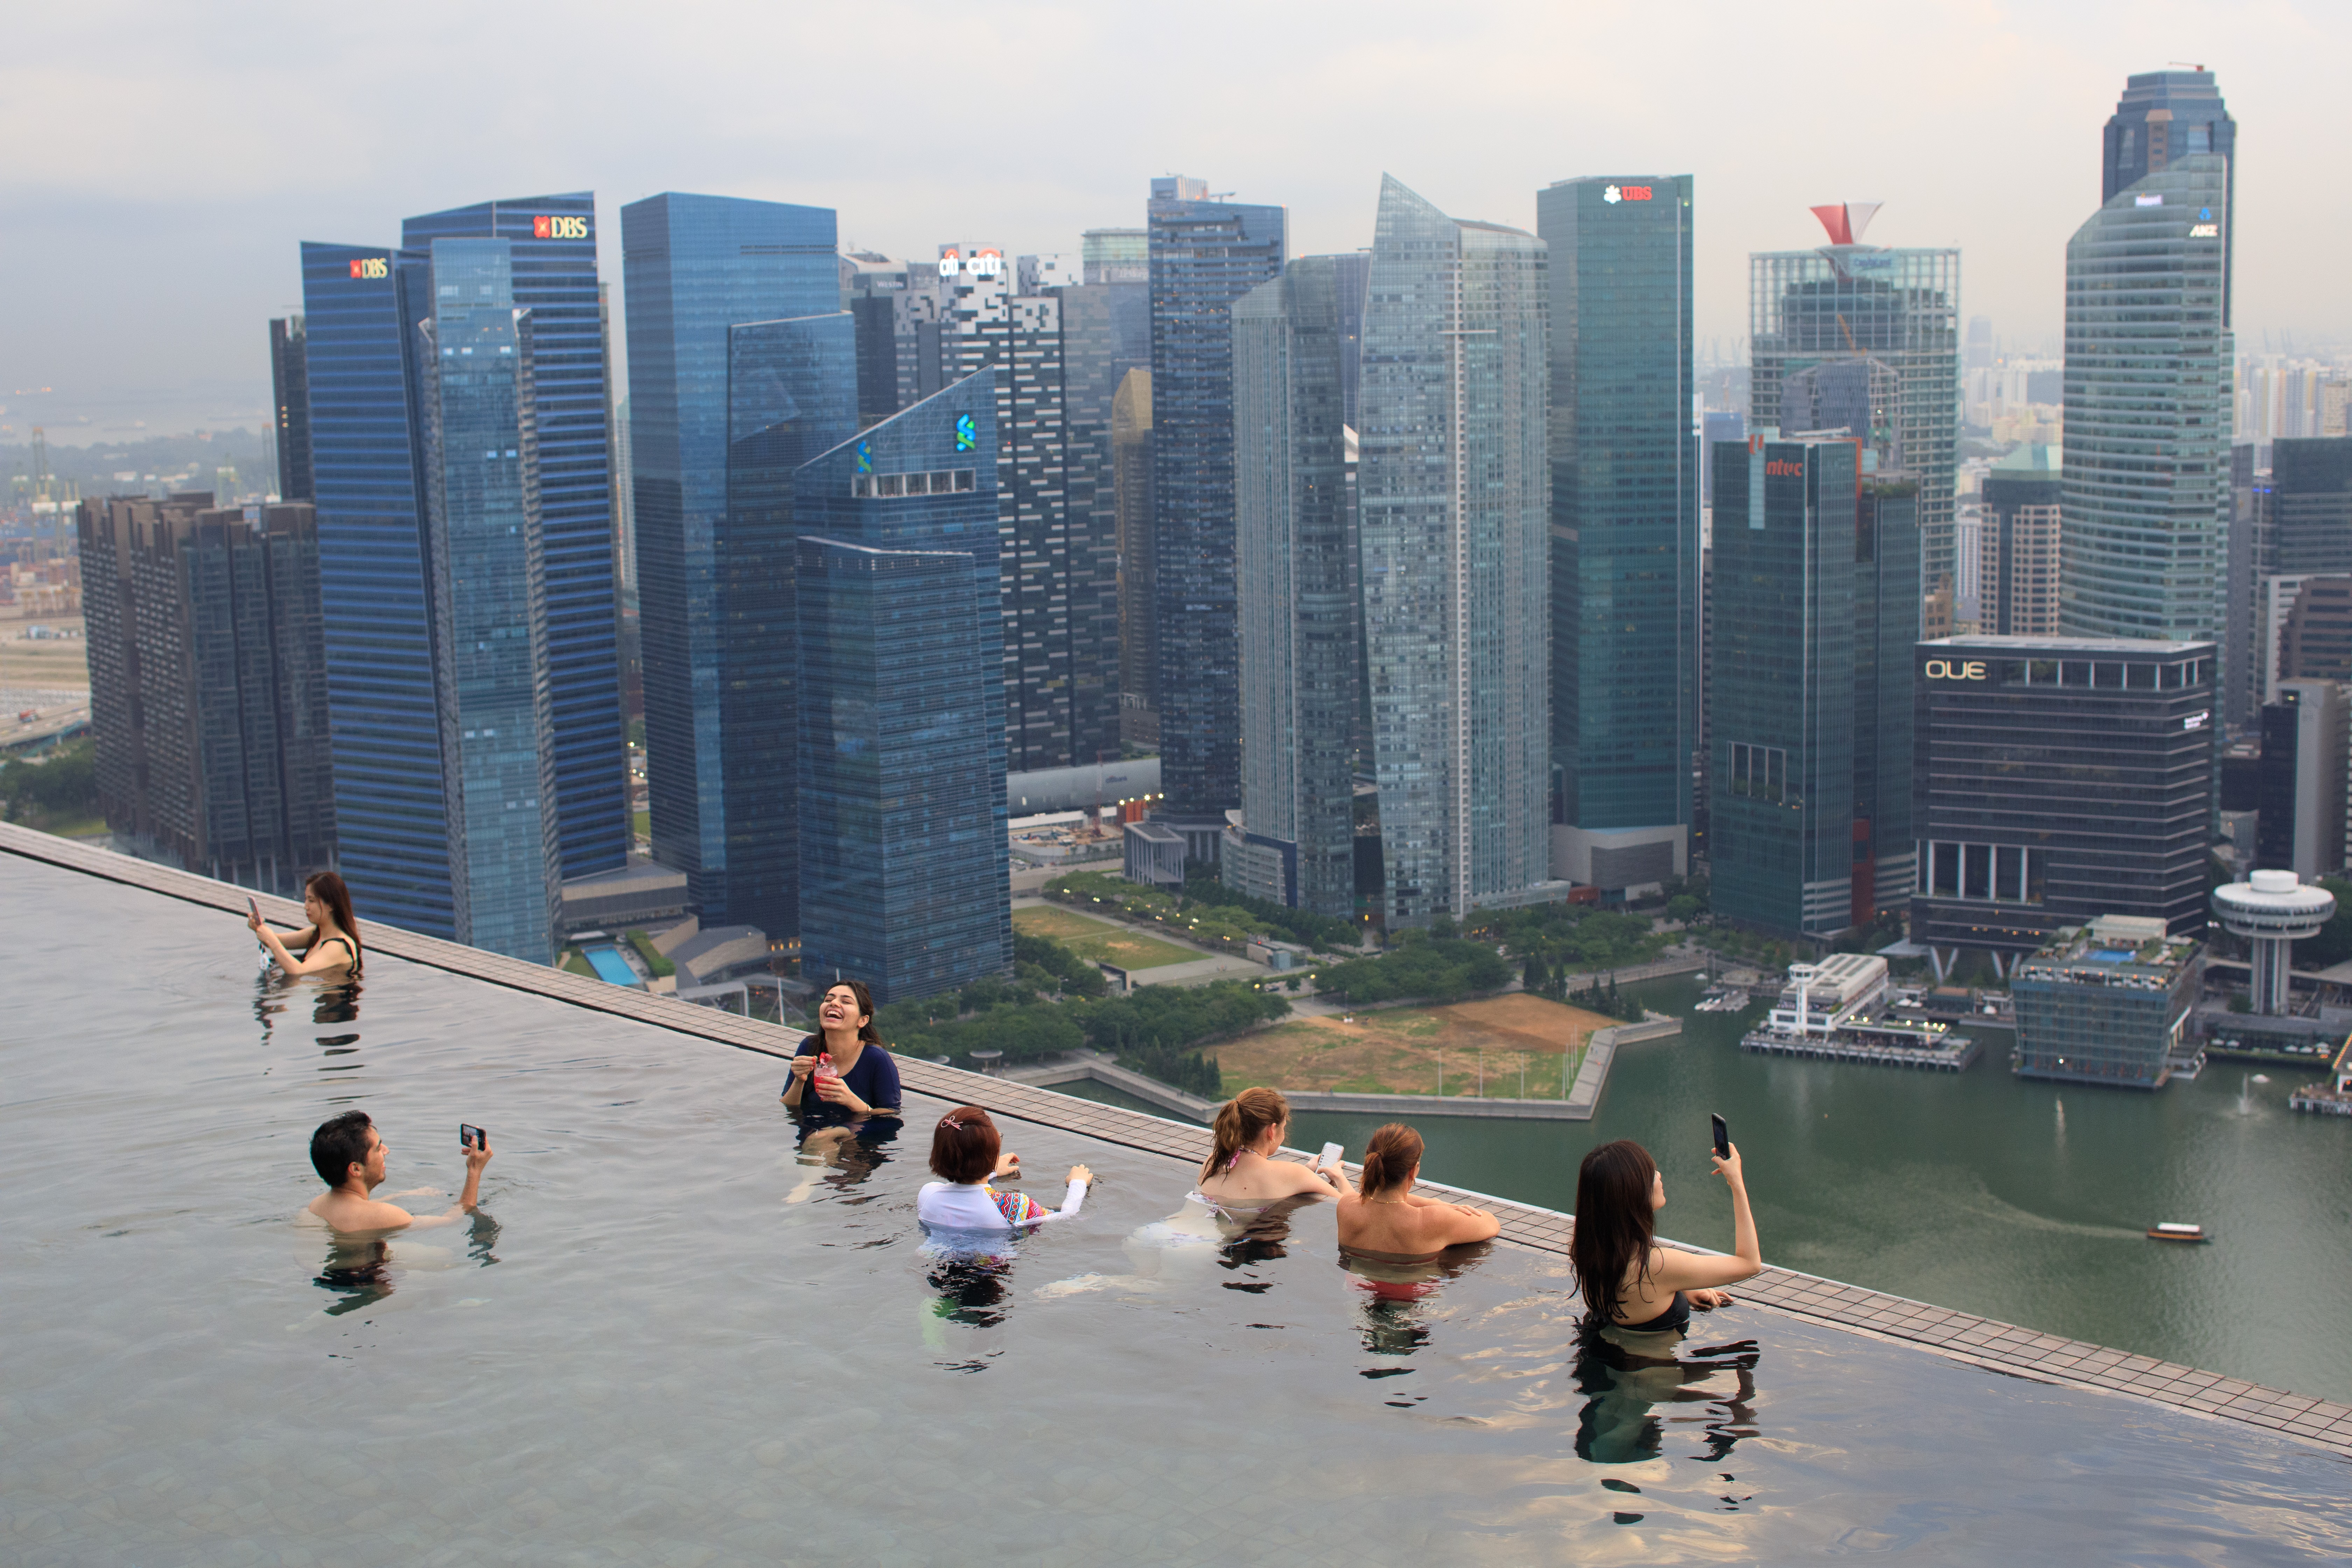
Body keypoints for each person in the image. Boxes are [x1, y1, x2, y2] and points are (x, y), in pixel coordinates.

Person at [1568, 1137, 1760, 1336]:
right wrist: (1736, 1183)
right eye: (1651, 1174)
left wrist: (1684, 1287)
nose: (1659, 1176)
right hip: (1657, 1367)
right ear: (1634, 1193)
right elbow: (1749, 1264)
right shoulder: (1659, 1266)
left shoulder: (1592, 1251)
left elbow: (1649, 1286)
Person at [303, 1110, 490, 1235]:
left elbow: (356, 1210)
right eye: (378, 1148)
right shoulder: (385, 1216)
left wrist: (403, 1195)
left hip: (343, 1274)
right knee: (444, 1259)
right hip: (371, 1281)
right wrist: (474, 1171)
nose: (386, 1151)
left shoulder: (316, 1206)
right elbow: (453, 1219)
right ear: (356, 1169)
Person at [1335, 1122, 1500, 1254]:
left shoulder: (1346, 1206)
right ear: (1413, 1171)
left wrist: (1435, 1203)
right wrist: (1441, 1206)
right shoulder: (1431, 1220)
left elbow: (1375, 1200)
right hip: (1410, 1294)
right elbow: (1492, 1223)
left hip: (1359, 1286)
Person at [917, 1106, 1091, 1230]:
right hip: (992, 1270)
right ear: (991, 1154)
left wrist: (992, 1170)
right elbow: (1067, 1216)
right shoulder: (1013, 1206)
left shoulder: (928, 1195)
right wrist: (1078, 1182)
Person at [1194, 1087, 1352, 1204]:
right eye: (1284, 1127)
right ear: (1272, 1131)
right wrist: (1339, 1177)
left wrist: (1307, 1171)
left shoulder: (1213, 1161)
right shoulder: (1294, 1175)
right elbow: (1353, 1207)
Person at [781, 980, 902, 1116]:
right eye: (828, 1000)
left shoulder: (877, 1058)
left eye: (846, 1002)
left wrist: (850, 1100)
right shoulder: (809, 1047)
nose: (833, 1003)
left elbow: (892, 1114)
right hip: (814, 1132)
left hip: (856, 1134)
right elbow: (789, 1108)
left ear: (863, 1020)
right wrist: (799, 1080)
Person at [249, 870, 364, 978]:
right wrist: (259, 928)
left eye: (312, 901)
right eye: (306, 900)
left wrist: (271, 940)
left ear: (331, 905)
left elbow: (298, 971)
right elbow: (278, 941)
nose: (306, 906)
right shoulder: (318, 933)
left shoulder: (339, 946)